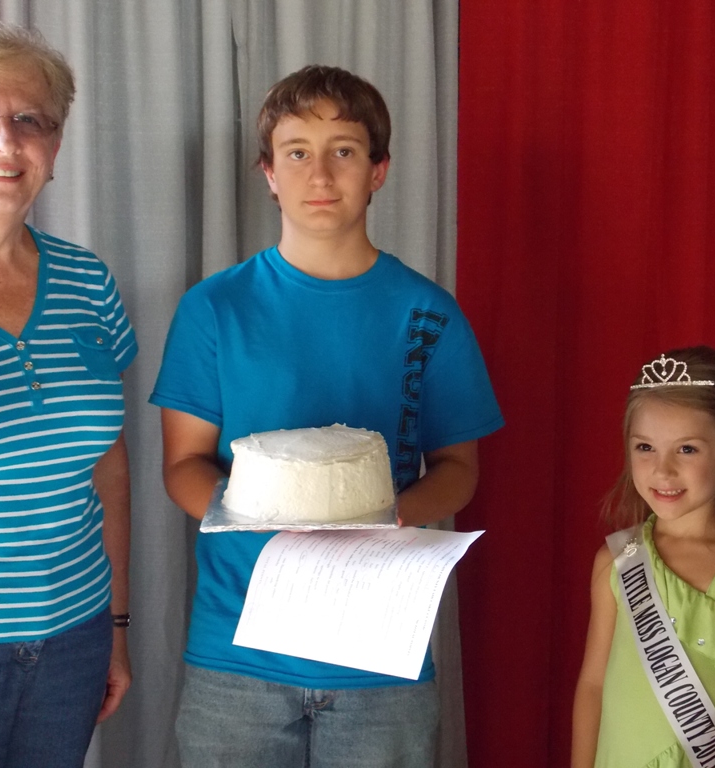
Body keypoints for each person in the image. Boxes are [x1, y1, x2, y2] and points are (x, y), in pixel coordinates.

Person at [150, 64, 503, 768]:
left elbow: (458, 469)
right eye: (296, 152)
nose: (320, 174)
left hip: (382, 653)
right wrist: (268, 515)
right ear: (268, 173)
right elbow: (183, 464)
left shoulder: (428, 313)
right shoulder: (214, 308)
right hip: (238, 653)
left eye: (343, 150)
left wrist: (381, 515)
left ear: (378, 171)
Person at [0, 18, 137, 768]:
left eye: (31, 121)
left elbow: (108, 467)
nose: (5, 141)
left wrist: (115, 628)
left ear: (55, 146)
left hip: (72, 642)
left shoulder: (88, 281)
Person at [572, 347, 715, 768]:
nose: (662, 470)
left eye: (687, 450)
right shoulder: (615, 560)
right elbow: (592, 685)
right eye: (645, 447)